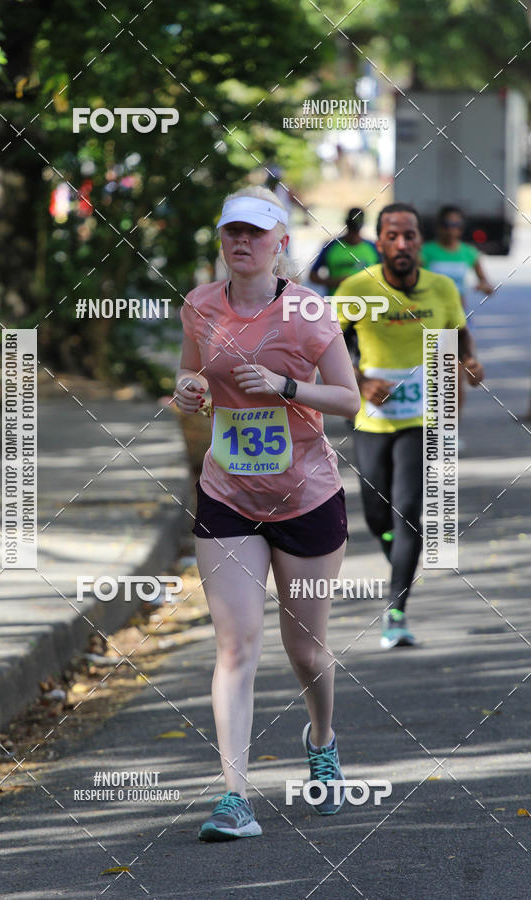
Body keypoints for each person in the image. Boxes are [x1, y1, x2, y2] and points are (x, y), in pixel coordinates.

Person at [176, 185, 360, 840]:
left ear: (280, 243)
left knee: (305, 652)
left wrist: (285, 387)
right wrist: (189, 390)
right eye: (233, 231)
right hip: (228, 495)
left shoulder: (307, 310)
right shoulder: (199, 305)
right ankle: (235, 798)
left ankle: (323, 740)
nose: (242, 242)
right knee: (235, 645)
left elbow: (349, 399)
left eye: (255, 232)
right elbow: (189, 377)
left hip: (305, 498)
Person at [335, 203, 484, 649]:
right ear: (379, 242)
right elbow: (325, 347)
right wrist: (361, 381)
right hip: (372, 419)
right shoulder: (356, 288)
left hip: (424, 415)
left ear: (421, 241)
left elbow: (459, 333)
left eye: (410, 235)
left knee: (406, 510)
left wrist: (469, 362)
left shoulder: (441, 288)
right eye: (393, 236)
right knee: (377, 515)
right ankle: (402, 553)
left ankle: (396, 613)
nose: (402, 244)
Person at [421, 205, 494, 442]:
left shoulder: (468, 253)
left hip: (459, 322)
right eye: (447, 224)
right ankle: (427, 429)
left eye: (457, 225)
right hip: (430, 321)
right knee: (431, 377)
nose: (452, 230)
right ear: (438, 227)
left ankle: (450, 432)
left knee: (453, 378)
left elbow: (487, 284)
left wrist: (484, 286)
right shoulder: (426, 252)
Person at [310, 207, 379, 293]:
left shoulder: (373, 247)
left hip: (366, 300)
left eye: (355, 231)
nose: (353, 236)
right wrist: (334, 282)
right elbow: (312, 275)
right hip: (336, 299)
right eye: (352, 230)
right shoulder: (331, 246)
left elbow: (384, 274)